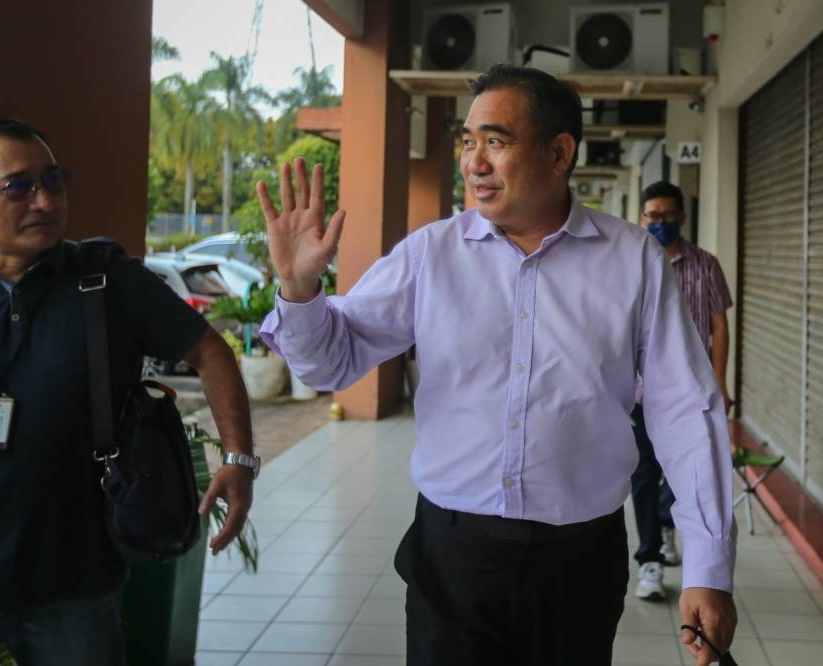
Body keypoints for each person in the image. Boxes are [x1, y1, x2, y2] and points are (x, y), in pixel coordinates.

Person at [257, 65, 737, 666]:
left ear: (559, 152)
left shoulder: (631, 260)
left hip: (578, 563)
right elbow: (331, 363)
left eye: (496, 141)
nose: (473, 162)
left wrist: (708, 566)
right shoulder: (431, 255)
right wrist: (301, 292)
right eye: (467, 141)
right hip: (452, 559)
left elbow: (685, 410)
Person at [0, 118, 257, 666]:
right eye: (18, 186)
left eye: (54, 181)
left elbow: (210, 352)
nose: (45, 200)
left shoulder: (107, 280)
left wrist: (237, 459)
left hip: (72, 583)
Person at [631, 180, 735, 603]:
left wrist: (721, 381)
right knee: (643, 474)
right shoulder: (632, 263)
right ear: (642, 218)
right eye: (652, 216)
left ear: (683, 218)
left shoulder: (705, 265)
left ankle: (665, 519)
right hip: (640, 392)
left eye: (667, 216)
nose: (660, 223)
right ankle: (649, 558)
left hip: (692, 393)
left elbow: (719, 325)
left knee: (689, 472)